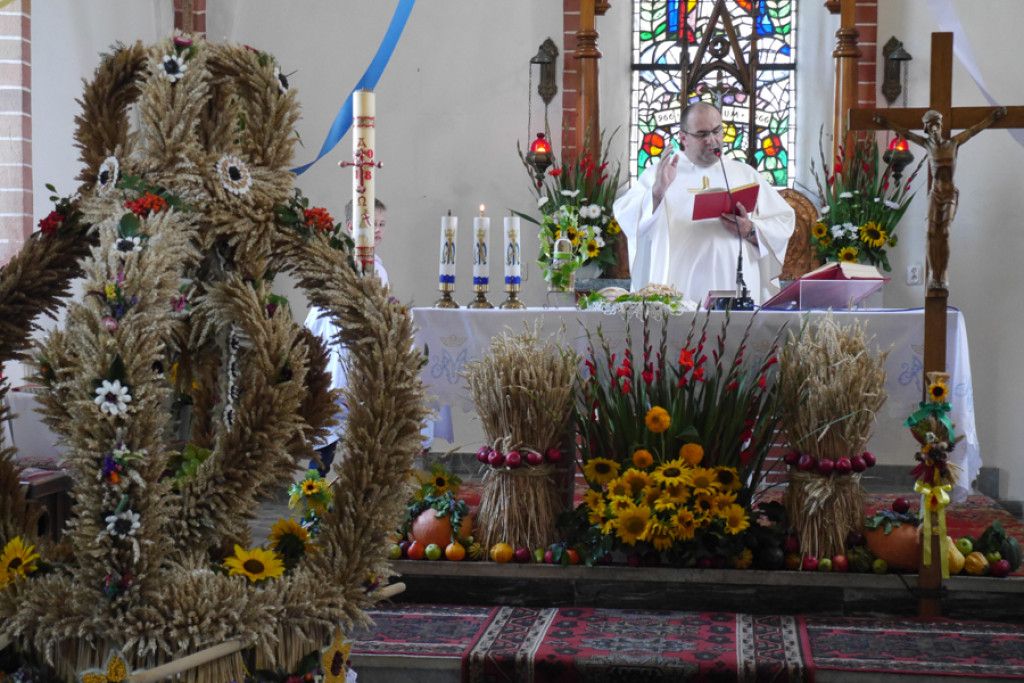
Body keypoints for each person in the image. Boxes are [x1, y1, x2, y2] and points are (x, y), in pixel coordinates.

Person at [613, 102, 795, 304]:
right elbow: (626, 214)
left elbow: (783, 220)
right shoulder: (661, 172)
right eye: (701, 134)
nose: (712, 140)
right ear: (683, 138)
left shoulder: (745, 174)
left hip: (735, 287)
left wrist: (751, 230)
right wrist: (657, 193)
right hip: (678, 286)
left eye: (717, 131)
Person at [873, 107, 1005, 291]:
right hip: (935, 194)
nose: (934, 129)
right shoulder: (927, 145)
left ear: (940, 126)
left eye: (936, 125)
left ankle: (942, 275)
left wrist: (992, 118)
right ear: (926, 128)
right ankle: (933, 275)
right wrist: (885, 122)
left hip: (950, 193)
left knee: (944, 233)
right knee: (929, 233)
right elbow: (905, 134)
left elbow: (974, 130)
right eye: (930, 126)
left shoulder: (953, 143)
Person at [305, 198, 388, 475]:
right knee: (326, 437)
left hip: (367, 358)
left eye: (381, 224)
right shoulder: (339, 263)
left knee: (365, 436)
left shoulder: (379, 267)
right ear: (352, 227)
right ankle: (311, 503)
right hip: (340, 357)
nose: (377, 229)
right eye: (371, 223)